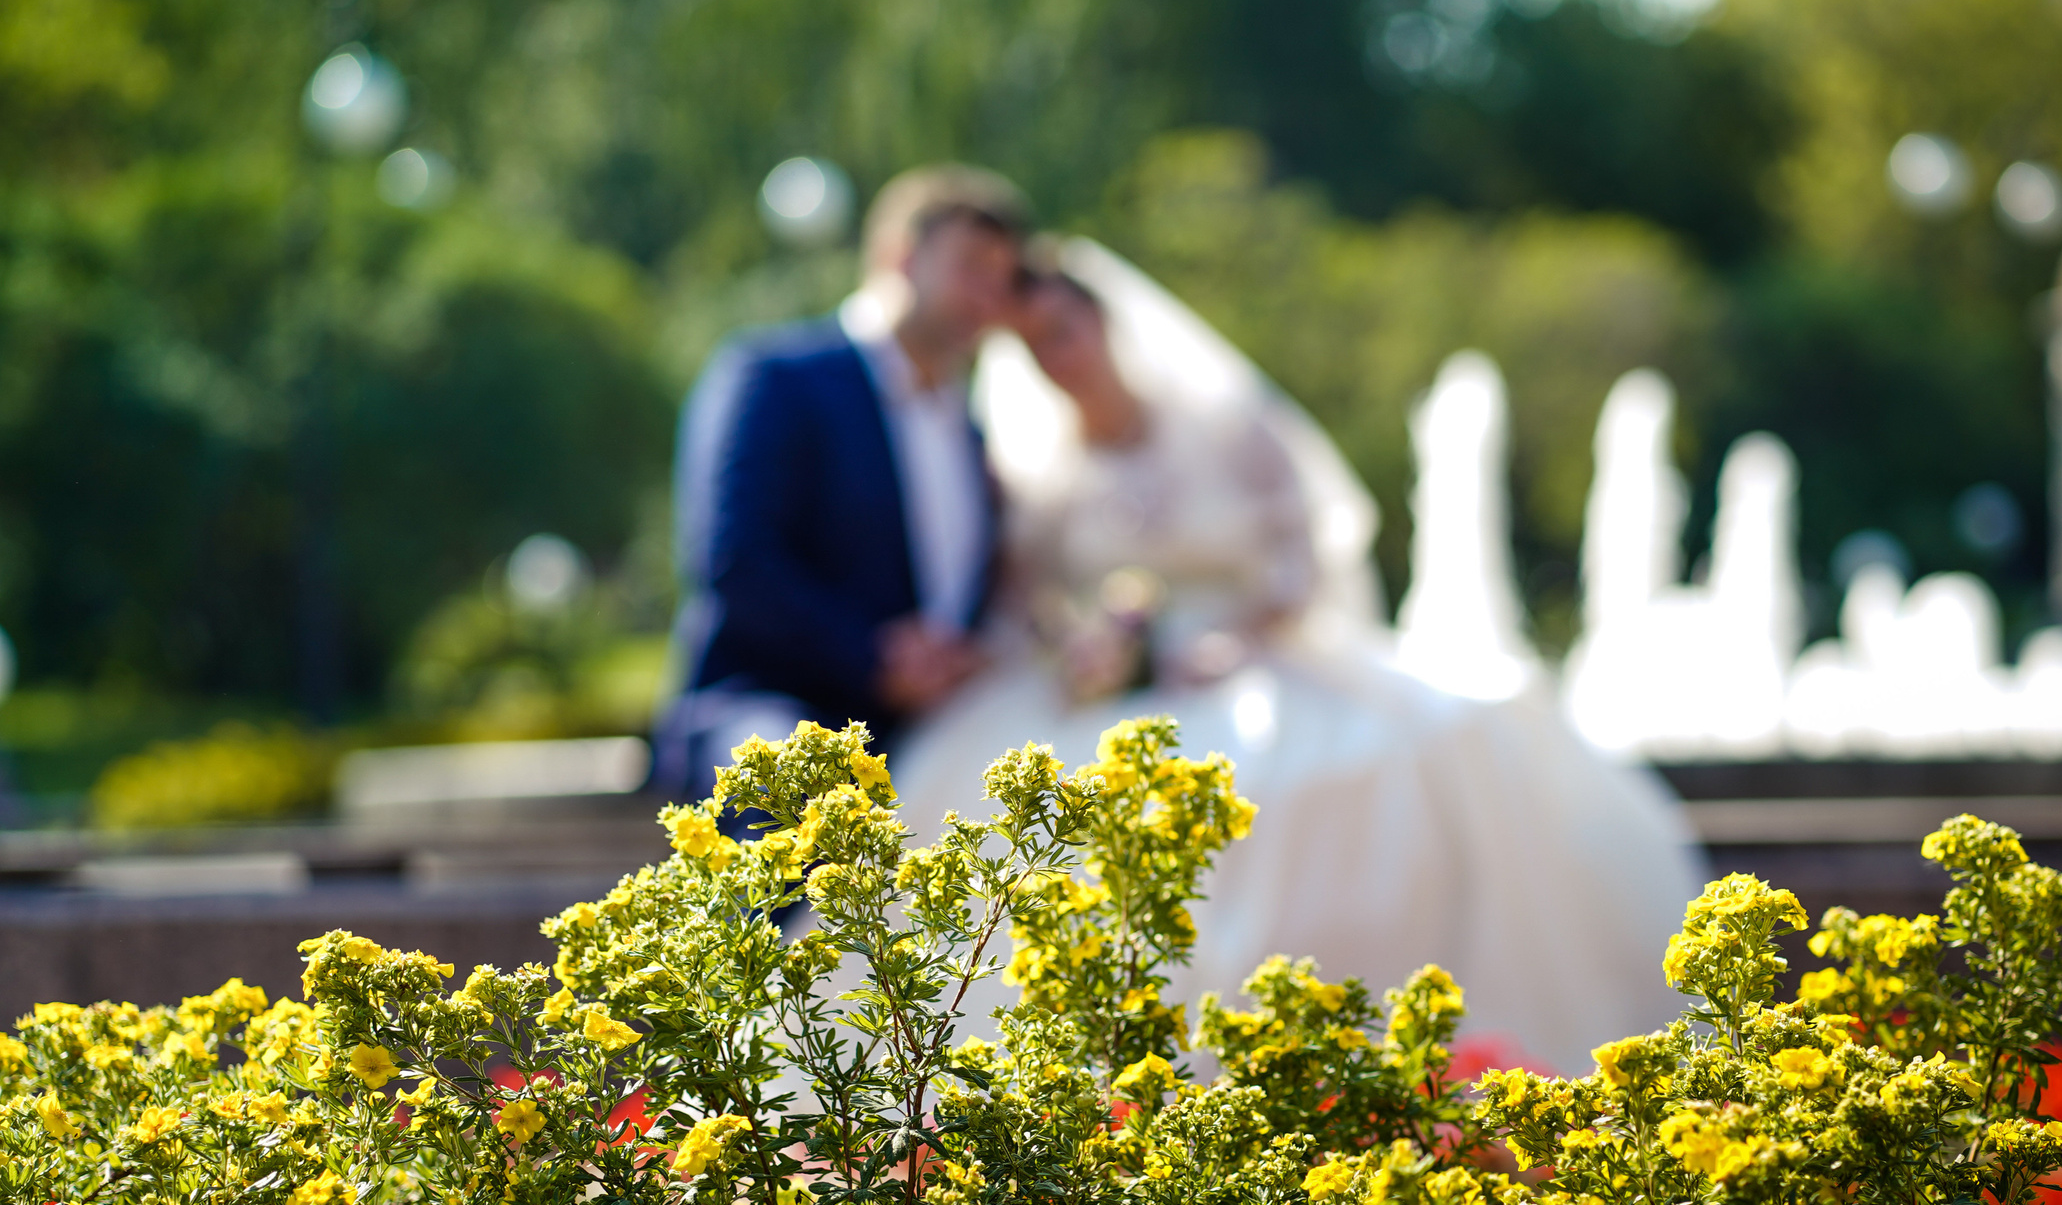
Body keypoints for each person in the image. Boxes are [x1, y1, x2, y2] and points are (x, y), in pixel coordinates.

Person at [891, 244, 1700, 1070]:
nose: (1055, 358)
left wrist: (1235, 638)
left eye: (1064, 331)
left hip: (1256, 653)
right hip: (1119, 685)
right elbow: (1031, 600)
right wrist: (1090, 649)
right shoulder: (1039, 471)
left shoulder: (1221, 421)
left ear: (1103, 321)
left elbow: (1302, 549)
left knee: (1406, 747)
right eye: (1032, 346)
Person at [655, 164, 1030, 803]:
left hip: (934, 733)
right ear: (897, 256)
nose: (986, 300)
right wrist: (875, 657)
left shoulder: (967, 433)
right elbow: (733, 559)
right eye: (969, 269)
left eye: (1001, 281)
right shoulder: (774, 376)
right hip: (771, 712)